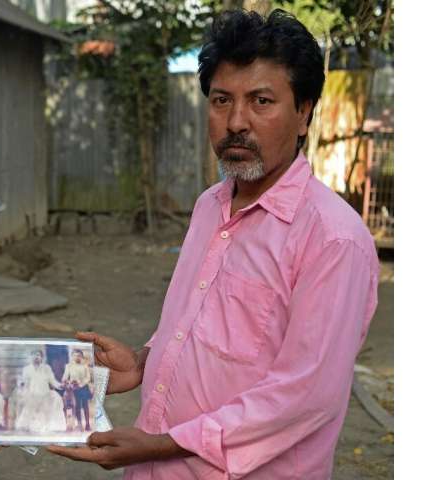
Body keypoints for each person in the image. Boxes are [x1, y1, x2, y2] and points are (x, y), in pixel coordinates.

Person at [49, 9, 379, 479]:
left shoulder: (334, 240)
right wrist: (144, 361)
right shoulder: (210, 206)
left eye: (261, 101)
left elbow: (306, 399)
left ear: (304, 113)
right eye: (222, 100)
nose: (236, 121)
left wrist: (160, 446)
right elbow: (203, 320)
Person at [16, 350, 67, 433]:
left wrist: (60, 385)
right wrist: (22, 386)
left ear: (42, 358)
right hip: (32, 395)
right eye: (34, 355)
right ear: (30, 357)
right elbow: (24, 383)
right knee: (28, 403)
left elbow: (53, 381)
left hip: (45, 394)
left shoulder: (46, 368)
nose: (36, 357)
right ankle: (29, 426)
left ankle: (52, 426)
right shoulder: (27, 369)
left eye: (38, 355)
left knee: (56, 398)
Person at [62, 349, 93, 431]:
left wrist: (81, 384)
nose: (77, 357)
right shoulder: (69, 366)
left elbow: (88, 378)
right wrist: (67, 382)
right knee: (77, 406)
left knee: (85, 405)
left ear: (82, 357)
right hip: (74, 388)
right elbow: (65, 377)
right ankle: (79, 424)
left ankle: (87, 424)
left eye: (79, 356)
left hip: (83, 387)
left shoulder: (84, 366)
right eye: (75, 355)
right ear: (72, 356)